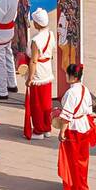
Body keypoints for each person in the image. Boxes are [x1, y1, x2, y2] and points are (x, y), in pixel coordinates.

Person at [57, 63, 96, 190]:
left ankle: (72, 188)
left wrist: (62, 131)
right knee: (82, 158)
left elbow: (67, 115)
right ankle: (81, 186)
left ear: (72, 77)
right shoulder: (84, 89)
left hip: (73, 128)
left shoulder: (70, 93)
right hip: (84, 125)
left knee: (71, 159)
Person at [24, 9, 57, 139]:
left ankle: (39, 130)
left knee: (36, 103)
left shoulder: (36, 40)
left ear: (37, 24)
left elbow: (33, 60)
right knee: (46, 102)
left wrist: (30, 78)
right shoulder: (51, 35)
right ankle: (47, 127)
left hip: (38, 72)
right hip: (47, 69)